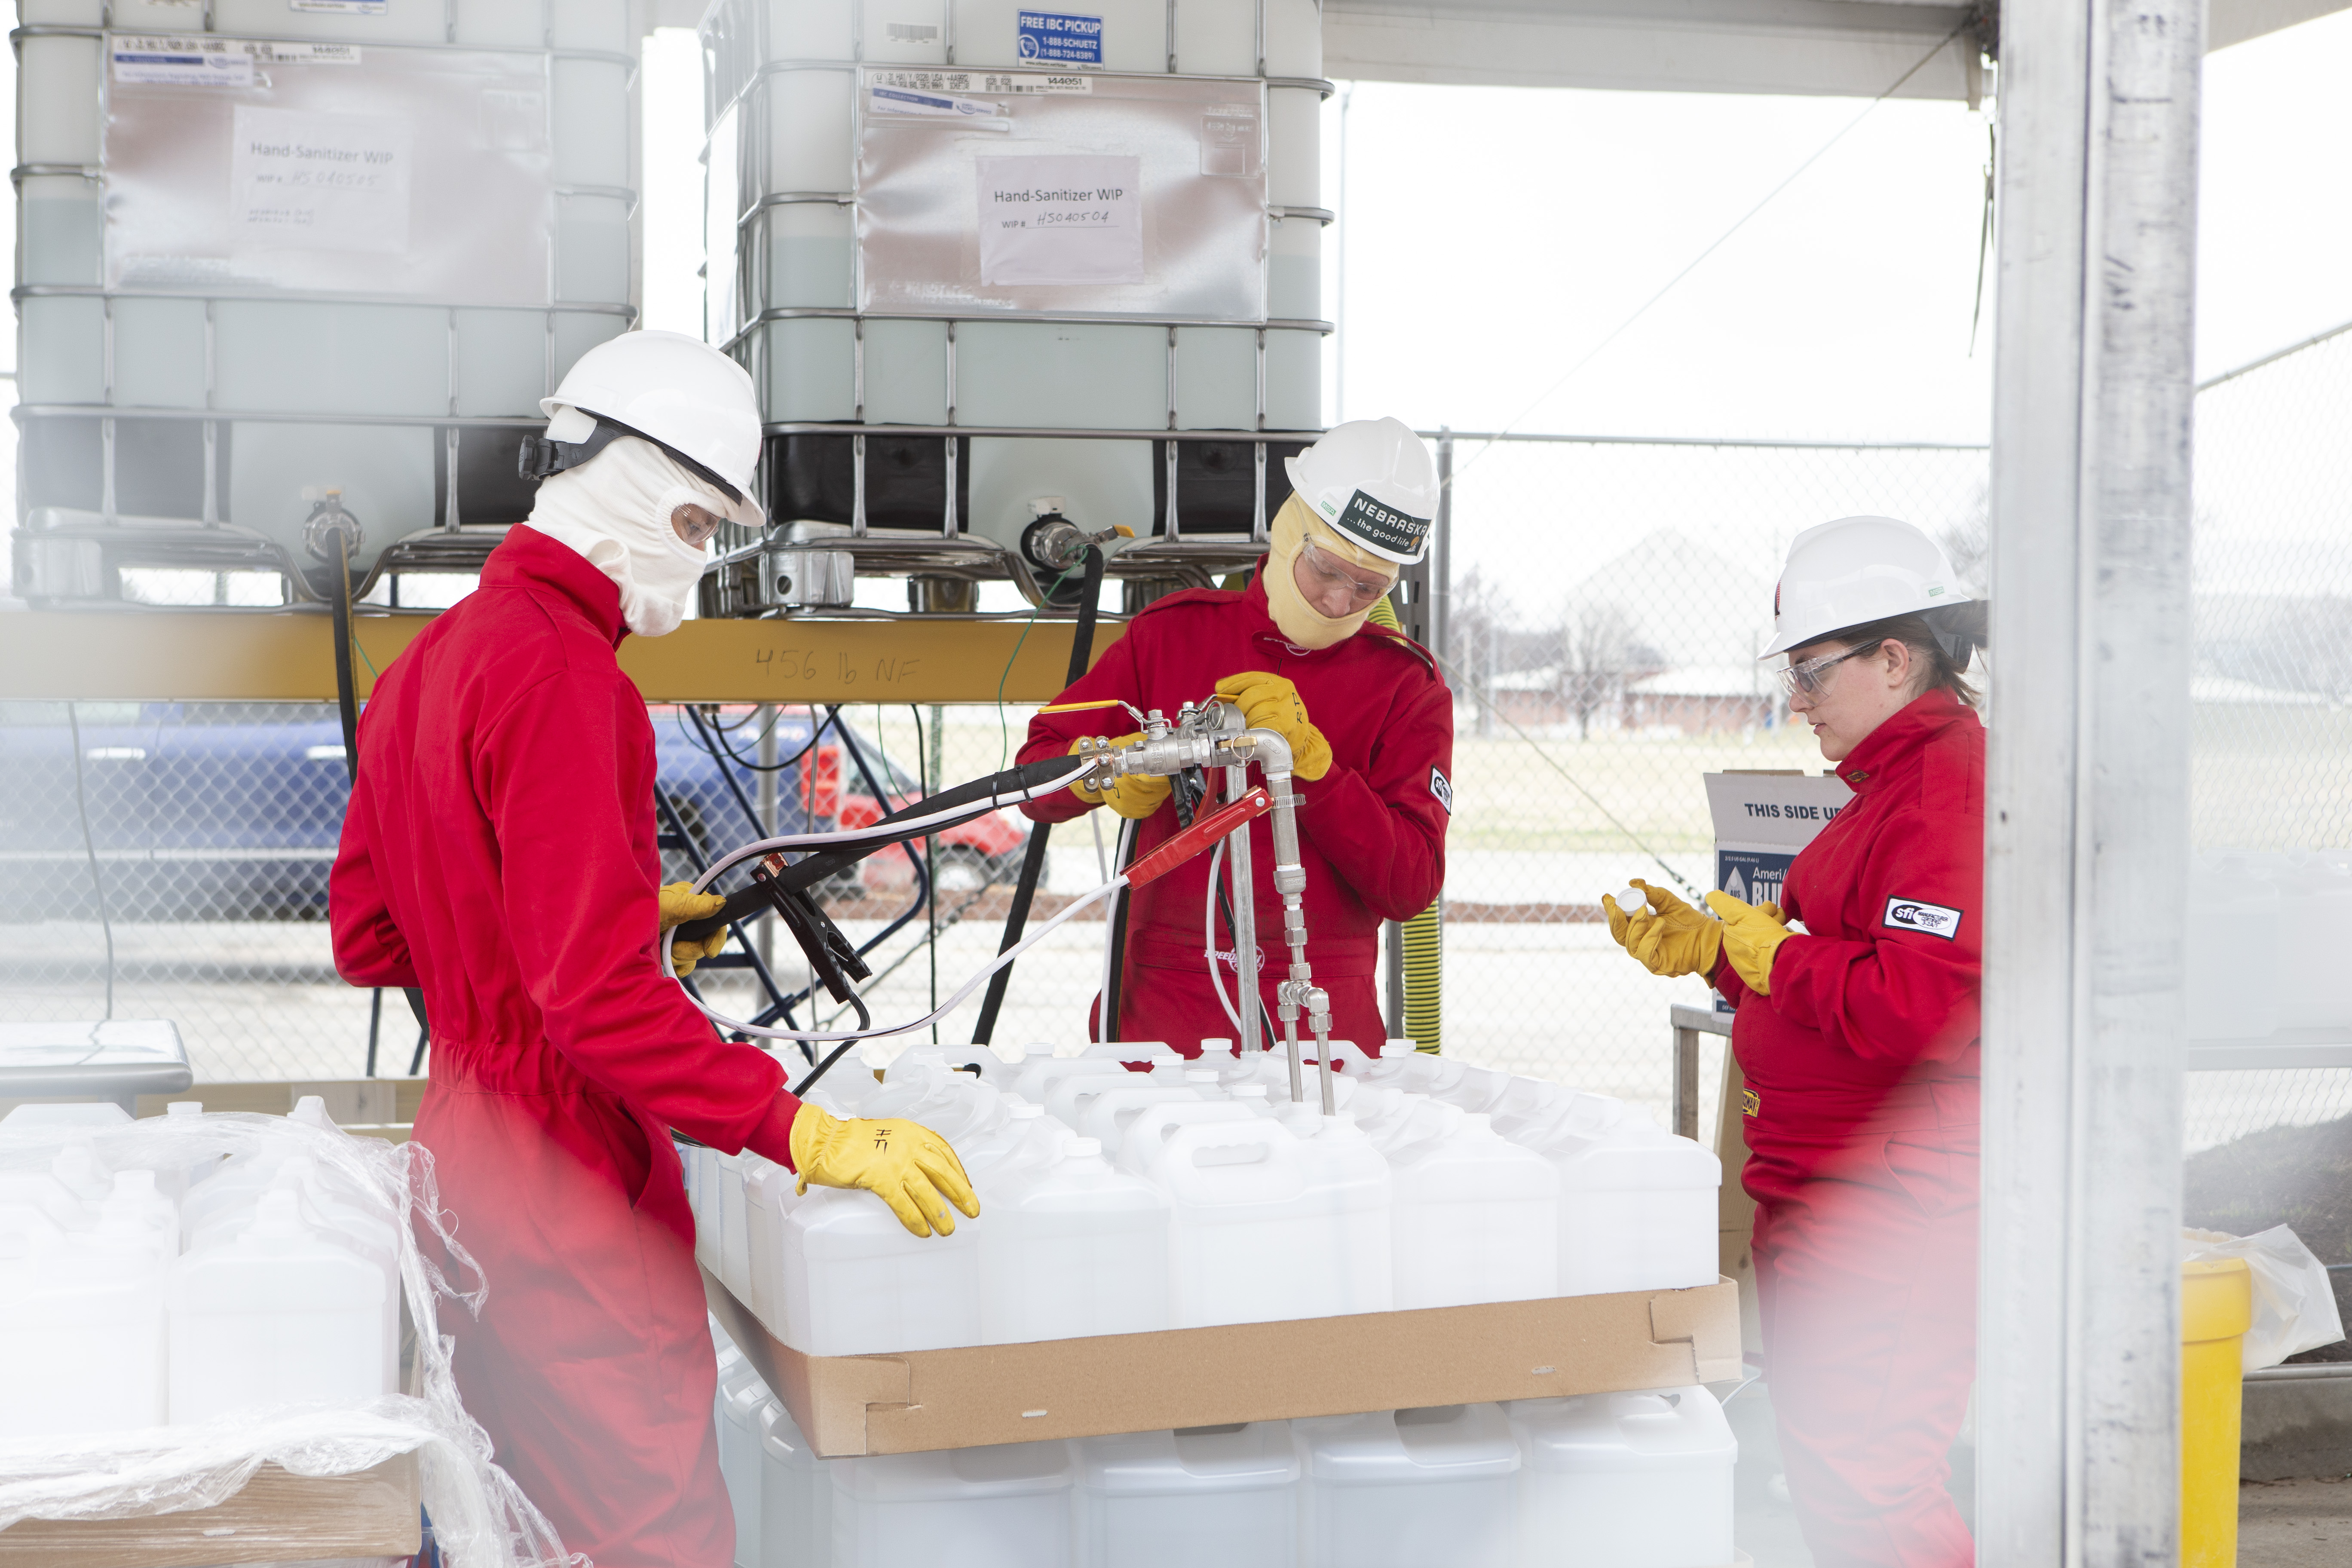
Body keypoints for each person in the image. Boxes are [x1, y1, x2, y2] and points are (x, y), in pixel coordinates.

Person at [329, 329, 978, 1568]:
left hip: (460, 1160)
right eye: (699, 529)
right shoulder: (570, 677)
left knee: (501, 1521)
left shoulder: (430, 664)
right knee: (647, 1533)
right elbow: (597, 1002)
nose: (697, 562)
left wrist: (577, 909)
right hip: (567, 1181)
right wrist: (807, 1132)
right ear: (641, 486)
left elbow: (368, 931)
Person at [1604, 515, 1986, 1568]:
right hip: (1841, 1196)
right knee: (1835, 1471)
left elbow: (1921, 1004)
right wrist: (1720, 956)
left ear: (1896, 660)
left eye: (1814, 671)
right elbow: (1845, 971)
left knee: (1875, 1481)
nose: (1797, 698)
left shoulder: (1948, 790)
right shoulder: (1894, 786)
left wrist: (1777, 959)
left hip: (1894, 1211)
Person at [1017, 416, 1453, 1054]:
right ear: (1288, 531)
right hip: (1162, 1015)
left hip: (1322, 1025)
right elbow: (1034, 781)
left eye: (1368, 587)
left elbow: (1410, 884)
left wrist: (1318, 774)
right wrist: (1110, 771)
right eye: (1326, 570)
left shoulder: (1404, 685)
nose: (1338, 601)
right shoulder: (1172, 638)